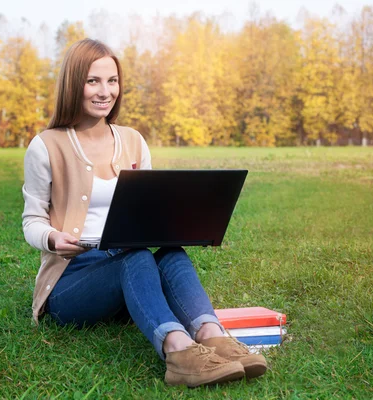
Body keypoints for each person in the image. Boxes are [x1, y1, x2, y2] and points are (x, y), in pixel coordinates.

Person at [21, 38, 267, 387]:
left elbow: (150, 210)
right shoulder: (46, 146)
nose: (105, 91)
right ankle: (178, 351)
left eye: (112, 81)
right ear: (73, 83)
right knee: (135, 256)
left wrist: (178, 224)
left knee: (171, 253)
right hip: (71, 281)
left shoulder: (133, 141)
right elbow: (32, 221)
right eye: (93, 81)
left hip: (127, 266)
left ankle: (214, 337)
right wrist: (51, 237)